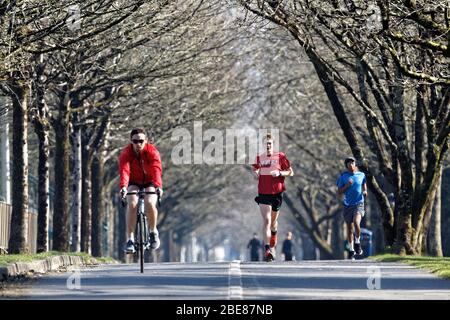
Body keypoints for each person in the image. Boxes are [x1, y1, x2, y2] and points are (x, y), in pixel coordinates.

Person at [119, 128, 163, 253]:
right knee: (132, 203)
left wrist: (158, 186)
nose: (138, 144)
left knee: (150, 202)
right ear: (131, 141)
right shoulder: (126, 153)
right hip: (133, 182)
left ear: (146, 141)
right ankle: (130, 239)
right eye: (135, 141)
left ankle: (153, 232)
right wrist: (123, 186)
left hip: (150, 182)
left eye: (141, 141)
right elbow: (124, 170)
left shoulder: (152, 152)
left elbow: (156, 169)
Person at [252, 133, 294, 262]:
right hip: (264, 193)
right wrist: (256, 173)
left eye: (270, 143)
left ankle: (274, 233)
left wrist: (279, 172)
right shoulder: (259, 158)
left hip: (277, 193)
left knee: (273, 223)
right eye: (266, 143)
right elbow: (254, 172)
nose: (268, 145)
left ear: (273, 145)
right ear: (263, 145)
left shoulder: (280, 156)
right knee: (266, 220)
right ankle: (267, 249)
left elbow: (291, 172)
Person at [336, 157, 367, 260]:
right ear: (347, 166)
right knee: (349, 229)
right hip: (348, 204)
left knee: (356, 222)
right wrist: (347, 185)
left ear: (355, 164)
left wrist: (365, 191)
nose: (351, 165)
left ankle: (357, 242)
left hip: (359, 203)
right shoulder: (343, 177)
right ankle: (351, 250)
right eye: (349, 164)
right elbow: (339, 191)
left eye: (353, 163)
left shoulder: (361, 175)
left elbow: (364, 185)